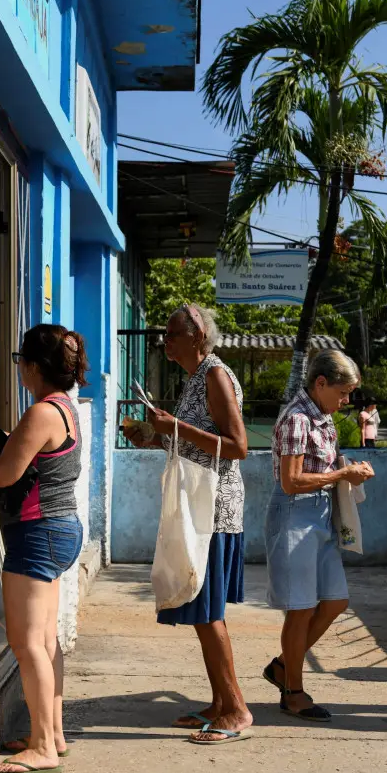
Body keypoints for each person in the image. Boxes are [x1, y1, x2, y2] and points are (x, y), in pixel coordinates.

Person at [124, 304, 254, 745]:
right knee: (203, 611)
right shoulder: (197, 379)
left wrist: (174, 426)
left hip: (213, 510)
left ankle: (236, 709)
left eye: (172, 334)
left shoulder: (215, 374)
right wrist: (156, 435)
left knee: (208, 612)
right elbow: (196, 446)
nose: (166, 342)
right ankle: (220, 702)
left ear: (198, 336)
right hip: (201, 504)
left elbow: (238, 447)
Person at [0, 324, 87, 773]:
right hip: (59, 531)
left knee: (27, 642)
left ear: (33, 366)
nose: (18, 369)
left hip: (36, 536)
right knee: (46, 639)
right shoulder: (63, 408)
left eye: (21, 362)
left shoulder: (41, 413)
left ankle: (41, 747)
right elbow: (23, 454)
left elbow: (4, 475)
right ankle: (52, 734)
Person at [262, 350, 375, 723]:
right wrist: (342, 476)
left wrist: (347, 471)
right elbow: (291, 481)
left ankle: (283, 666)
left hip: (320, 514)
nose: (346, 402)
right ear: (320, 383)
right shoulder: (297, 418)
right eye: (343, 393)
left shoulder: (321, 417)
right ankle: (293, 691)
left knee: (335, 601)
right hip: (296, 513)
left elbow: (321, 467)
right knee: (301, 609)